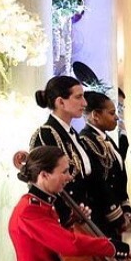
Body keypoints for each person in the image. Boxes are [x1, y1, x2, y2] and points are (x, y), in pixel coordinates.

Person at [30, 75, 93, 223]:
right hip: (66, 218)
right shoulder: (46, 134)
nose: (84, 103)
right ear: (60, 102)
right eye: (78, 97)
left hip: (84, 214)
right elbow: (45, 182)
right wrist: (68, 216)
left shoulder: (73, 134)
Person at [80, 91, 131, 240]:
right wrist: (116, 215)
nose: (116, 117)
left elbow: (120, 176)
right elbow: (98, 183)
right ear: (96, 115)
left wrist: (126, 208)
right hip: (101, 216)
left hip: (114, 213)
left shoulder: (107, 139)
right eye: (111, 113)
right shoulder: (86, 141)